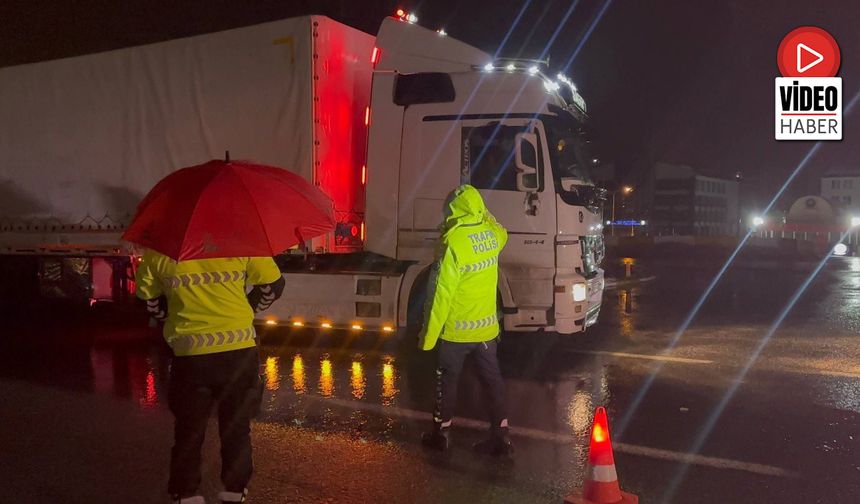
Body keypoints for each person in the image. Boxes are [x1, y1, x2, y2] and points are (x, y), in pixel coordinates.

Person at [136, 250, 285, 504]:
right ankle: (234, 491)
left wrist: (172, 315)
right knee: (236, 427)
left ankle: (186, 494)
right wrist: (246, 306)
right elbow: (273, 285)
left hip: (190, 356)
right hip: (238, 353)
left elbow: (147, 301)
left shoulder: (160, 251)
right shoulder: (241, 241)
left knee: (189, 431)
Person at [418, 184, 512, 456]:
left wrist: (428, 337)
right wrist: (483, 212)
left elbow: (440, 296)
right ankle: (501, 436)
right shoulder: (492, 236)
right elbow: (501, 229)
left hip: (455, 334)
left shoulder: (452, 243)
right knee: (492, 381)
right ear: (479, 208)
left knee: (447, 382)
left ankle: (442, 435)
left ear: (451, 210)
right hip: (486, 332)